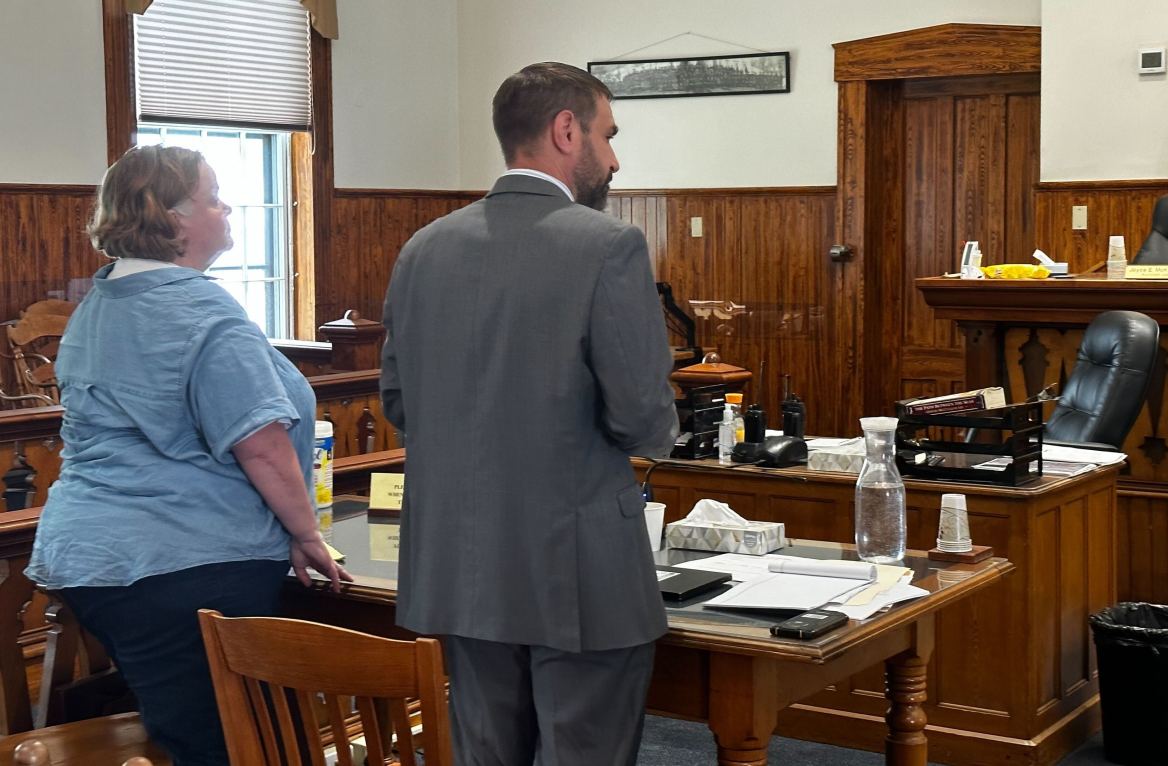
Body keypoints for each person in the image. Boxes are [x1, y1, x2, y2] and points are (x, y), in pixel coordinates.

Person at [380, 62, 678, 765]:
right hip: (580, 574)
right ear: (565, 130)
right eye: (607, 135)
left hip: (459, 570)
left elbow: (400, 403)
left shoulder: (423, 249)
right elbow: (644, 420)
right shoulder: (609, 245)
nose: (613, 158)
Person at [25, 144, 350, 765]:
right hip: (181, 563)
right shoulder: (200, 309)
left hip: (91, 555)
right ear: (171, 218)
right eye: (213, 197)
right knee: (240, 745)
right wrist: (306, 532)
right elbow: (260, 444)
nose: (227, 208)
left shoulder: (99, 301)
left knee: (198, 731)